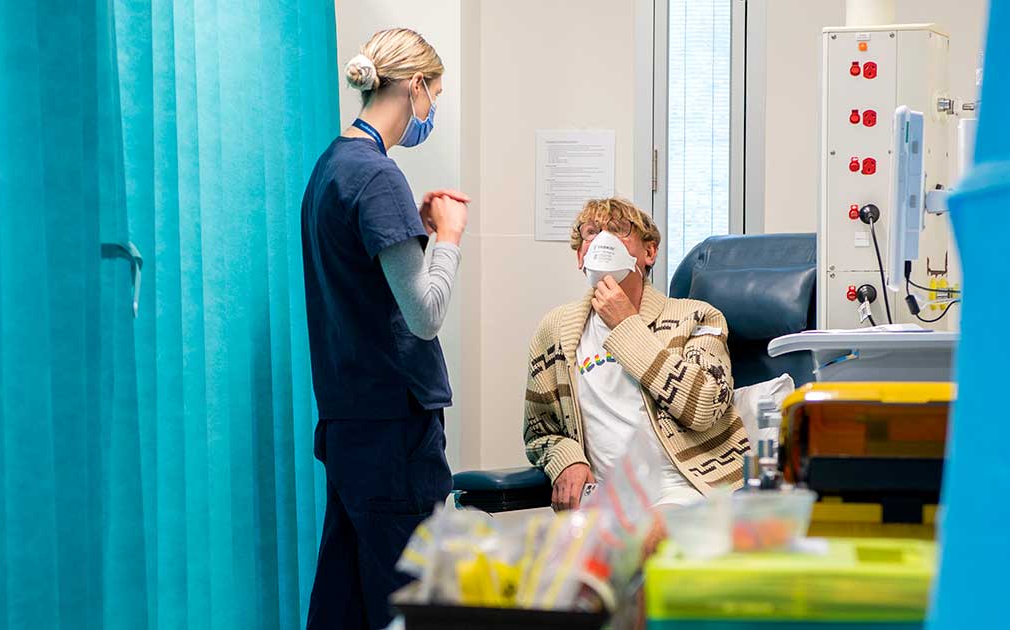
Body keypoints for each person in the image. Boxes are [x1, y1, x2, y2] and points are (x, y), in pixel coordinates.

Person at [301, 28, 469, 630]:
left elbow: (368, 287)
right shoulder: (376, 177)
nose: (432, 114)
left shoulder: (331, 167)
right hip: (394, 434)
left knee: (345, 608)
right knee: (412, 608)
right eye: (435, 97)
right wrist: (447, 237)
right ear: (415, 86)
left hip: (349, 425)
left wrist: (413, 231)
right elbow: (424, 314)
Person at [522, 198, 749, 512]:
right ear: (580, 256)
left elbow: (705, 407)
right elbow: (539, 431)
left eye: (617, 230)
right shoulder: (556, 330)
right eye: (591, 232)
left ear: (649, 252)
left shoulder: (697, 317)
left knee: (635, 543)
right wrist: (567, 460)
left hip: (686, 489)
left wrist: (626, 326)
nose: (602, 240)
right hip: (604, 499)